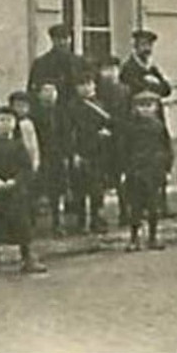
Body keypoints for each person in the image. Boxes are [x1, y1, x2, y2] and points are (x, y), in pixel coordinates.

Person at [0, 106, 47, 275]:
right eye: (1, 120)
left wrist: (15, 181)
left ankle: (27, 258)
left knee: (22, 225)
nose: (5, 124)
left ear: (15, 124)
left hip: (16, 192)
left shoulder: (18, 145)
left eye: (9, 120)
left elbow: (26, 168)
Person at [120, 30, 175, 217]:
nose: (147, 49)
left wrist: (153, 81)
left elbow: (167, 89)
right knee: (139, 166)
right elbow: (134, 88)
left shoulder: (152, 67)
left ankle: (162, 204)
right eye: (143, 45)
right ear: (136, 46)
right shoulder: (129, 67)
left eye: (149, 45)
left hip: (156, 118)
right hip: (137, 120)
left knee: (160, 160)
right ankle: (138, 207)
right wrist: (152, 84)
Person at [117, 90, 173, 252]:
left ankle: (153, 237)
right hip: (135, 172)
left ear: (156, 107)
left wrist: (166, 167)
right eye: (142, 106)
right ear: (135, 108)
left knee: (153, 206)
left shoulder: (159, 126)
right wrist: (124, 169)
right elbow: (124, 149)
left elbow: (166, 147)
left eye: (149, 106)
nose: (145, 110)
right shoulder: (130, 127)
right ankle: (134, 238)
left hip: (154, 171)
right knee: (135, 207)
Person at [66, 70, 115, 234]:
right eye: (81, 85)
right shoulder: (72, 107)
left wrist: (106, 132)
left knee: (97, 189)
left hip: (99, 152)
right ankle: (80, 222)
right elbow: (69, 132)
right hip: (82, 151)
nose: (86, 88)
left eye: (89, 84)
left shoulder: (101, 104)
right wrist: (74, 153)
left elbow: (111, 123)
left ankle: (97, 219)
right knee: (79, 189)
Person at [29, 79, 71, 236]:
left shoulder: (61, 113)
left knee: (57, 190)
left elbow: (67, 134)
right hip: (41, 155)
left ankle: (57, 223)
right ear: (39, 94)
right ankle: (32, 225)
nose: (49, 94)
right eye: (45, 90)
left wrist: (66, 153)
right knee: (35, 190)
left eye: (52, 90)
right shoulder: (35, 114)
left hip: (57, 156)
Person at [28, 22, 88, 103]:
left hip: (75, 106)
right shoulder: (42, 63)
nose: (62, 42)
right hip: (51, 107)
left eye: (66, 38)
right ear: (52, 40)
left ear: (70, 39)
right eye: (58, 39)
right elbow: (33, 90)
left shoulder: (80, 62)